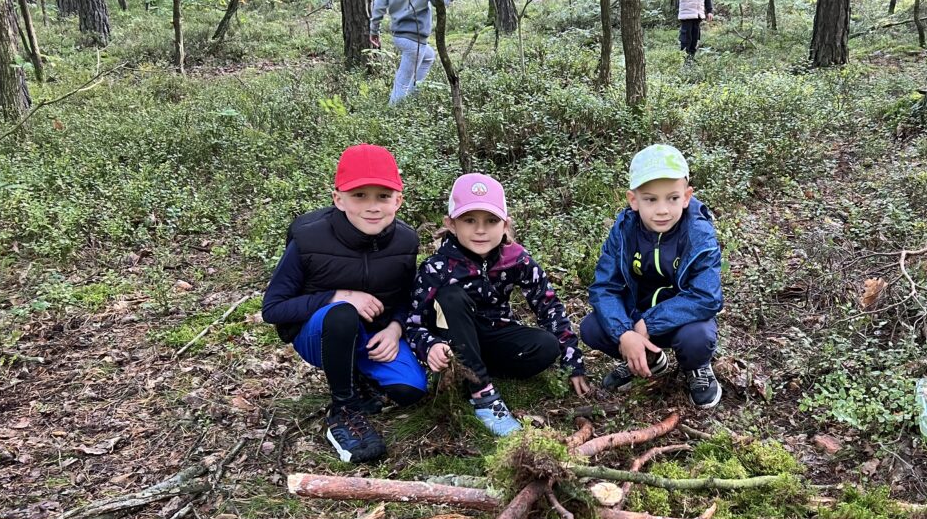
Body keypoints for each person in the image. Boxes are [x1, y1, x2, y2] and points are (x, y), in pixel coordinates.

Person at [262, 144, 426, 464]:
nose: (372, 206)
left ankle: (358, 376)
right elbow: (273, 308)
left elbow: (408, 297)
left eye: (383, 196)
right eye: (359, 195)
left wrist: (395, 329)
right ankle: (344, 410)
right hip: (320, 335)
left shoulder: (406, 241)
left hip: (374, 334)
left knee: (410, 390)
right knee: (342, 314)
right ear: (338, 199)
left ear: (398, 200)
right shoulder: (309, 238)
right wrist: (337, 296)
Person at [406, 173, 590, 436]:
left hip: (494, 333)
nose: (480, 230)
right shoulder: (437, 268)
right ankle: (483, 395)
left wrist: (572, 361)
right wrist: (430, 346)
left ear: (505, 224)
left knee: (546, 346)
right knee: (451, 297)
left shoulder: (516, 258)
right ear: (451, 224)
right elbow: (413, 324)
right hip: (454, 341)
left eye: (491, 221)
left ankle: (476, 370)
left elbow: (548, 305)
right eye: (469, 220)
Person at [581, 144, 723, 409]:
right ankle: (649, 359)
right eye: (650, 199)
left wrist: (649, 323)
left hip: (681, 321)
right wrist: (625, 332)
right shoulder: (624, 231)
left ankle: (697, 367)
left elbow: (707, 296)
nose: (662, 210)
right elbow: (604, 287)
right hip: (635, 317)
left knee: (698, 338)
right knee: (592, 328)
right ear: (633, 200)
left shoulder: (698, 233)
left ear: (686, 197)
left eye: (672, 198)